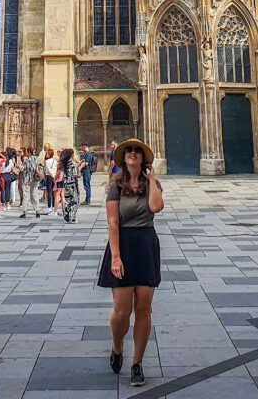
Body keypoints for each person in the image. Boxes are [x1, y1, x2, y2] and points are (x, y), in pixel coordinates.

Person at [98, 139, 164, 388]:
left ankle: (137, 363)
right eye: (129, 151)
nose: (133, 154)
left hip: (146, 244)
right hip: (123, 244)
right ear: (124, 157)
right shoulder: (116, 186)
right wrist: (115, 256)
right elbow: (113, 223)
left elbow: (156, 207)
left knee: (144, 308)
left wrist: (152, 179)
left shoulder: (152, 184)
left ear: (144, 159)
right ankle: (117, 346)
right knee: (122, 311)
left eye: (137, 151)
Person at [18, 147, 41, 219]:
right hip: (35, 179)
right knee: (35, 195)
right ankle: (37, 211)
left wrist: (18, 166)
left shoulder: (26, 159)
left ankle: (24, 212)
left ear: (28, 152)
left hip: (26, 179)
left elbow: (22, 169)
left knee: (26, 196)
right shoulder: (36, 159)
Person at [61, 148, 80, 223]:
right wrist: (80, 168)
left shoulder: (65, 163)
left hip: (66, 183)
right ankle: (72, 217)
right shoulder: (72, 164)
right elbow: (76, 175)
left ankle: (67, 214)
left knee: (68, 200)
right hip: (72, 184)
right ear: (72, 155)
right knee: (75, 200)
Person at [43, 146, 57, 214]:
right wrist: (54, 176)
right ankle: (54, 206)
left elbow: (48, 169)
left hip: (49, 176)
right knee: (53, 192)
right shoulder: (55, 161)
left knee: (49, 192)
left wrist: (52, 175)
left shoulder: (47, 161)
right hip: (54, 176)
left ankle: (49, 207)